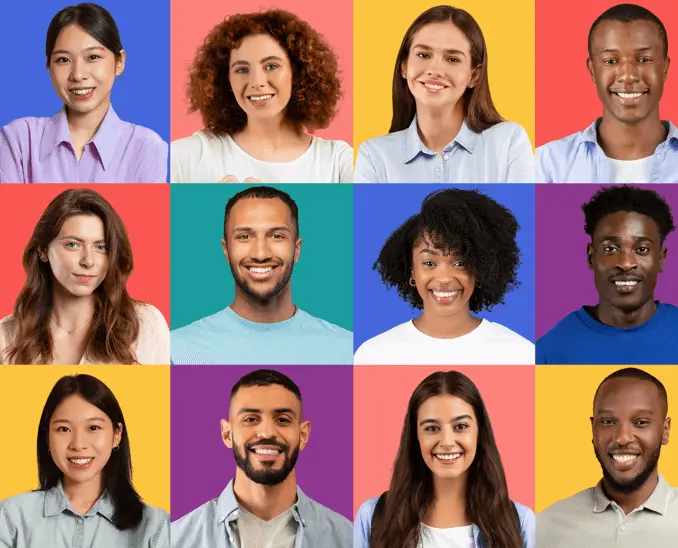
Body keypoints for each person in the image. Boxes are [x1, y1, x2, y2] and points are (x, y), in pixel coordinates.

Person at [537, 4, 678, 183]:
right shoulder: (547, 166)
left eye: (643, 59)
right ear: (592, 70)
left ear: (665, 67)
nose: (628, 76)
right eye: (610, 61)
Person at [536, 185, 678, 364]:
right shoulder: (548, 352)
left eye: (641, 249)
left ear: (661, 259)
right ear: (591, 257)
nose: (625, 264)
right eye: (610, 249)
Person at [537, 368, 678, 546]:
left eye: (641, 422)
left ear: (665, 430)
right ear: (593, 429)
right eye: (608, 422)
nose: (622, 438)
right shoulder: (545, 526)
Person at [353, 371, 536, 548]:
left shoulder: (521, 521)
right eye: (432, 428)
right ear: (415, 436)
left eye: (461, 426)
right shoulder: (371, 517)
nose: (447, 442)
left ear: (479, 433)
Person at [172, 186, 353, 364]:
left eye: (276, 236)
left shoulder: (347, 350)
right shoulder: (176, 350)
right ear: (226, 250)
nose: (260, 254)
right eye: (244, 237)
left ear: (297, 250)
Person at [171, 369, 351, 547]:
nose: (267, 433)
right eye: (250, 419)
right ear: (227, 434)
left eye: (282, 420)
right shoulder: (176, 539)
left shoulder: (348, 537)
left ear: (303, 435)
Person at [354, 6, 533, 183]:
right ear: (404, 66)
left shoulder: (509, 142)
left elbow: (520, 212)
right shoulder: (374, 156)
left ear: (474, 75)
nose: (435, 70)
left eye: (453, 59)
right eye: (423, 55)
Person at [355, 188, 534, 365]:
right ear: (412, 271)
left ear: (481, 268)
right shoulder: (374, 356)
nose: (444, 278)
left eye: (460, 263)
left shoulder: (519, 354)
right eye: (429, 263)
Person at [0, 3, 167, 183]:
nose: (78, 75)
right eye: (63, 60)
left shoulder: (146, 147)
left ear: (119, 62)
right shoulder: (20, 139)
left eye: (93, 57)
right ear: (49, 67)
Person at [0, 188, 169, 364]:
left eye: (101, 247)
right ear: (43, 250)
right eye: (73, 245)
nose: (88, 261)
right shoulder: (9, 333)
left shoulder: (147, 324)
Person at [172, 9, 351, 183]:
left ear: (297, 72)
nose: (256, 82)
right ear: (226, 81)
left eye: (271, 66)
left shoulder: (338, 161)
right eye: (242, 70)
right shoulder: (188, 157)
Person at [0, 374, 168, 547]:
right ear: (47, 438)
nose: (78, 444)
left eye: (93, 427)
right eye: (64, 429)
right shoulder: (12, 515)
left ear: (116, 434)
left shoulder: (154, 526)